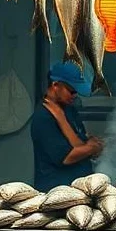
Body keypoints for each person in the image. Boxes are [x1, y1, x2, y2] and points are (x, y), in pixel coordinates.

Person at [31, 62, 104, 191]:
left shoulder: (69, 109)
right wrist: (92, 147)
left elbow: (81, 142)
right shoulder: (43, 116)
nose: (75, 95)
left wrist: (89, 145)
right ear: (55, 85)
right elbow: (67, 157)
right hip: (56, 190)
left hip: (79, 188)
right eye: (71, 91)